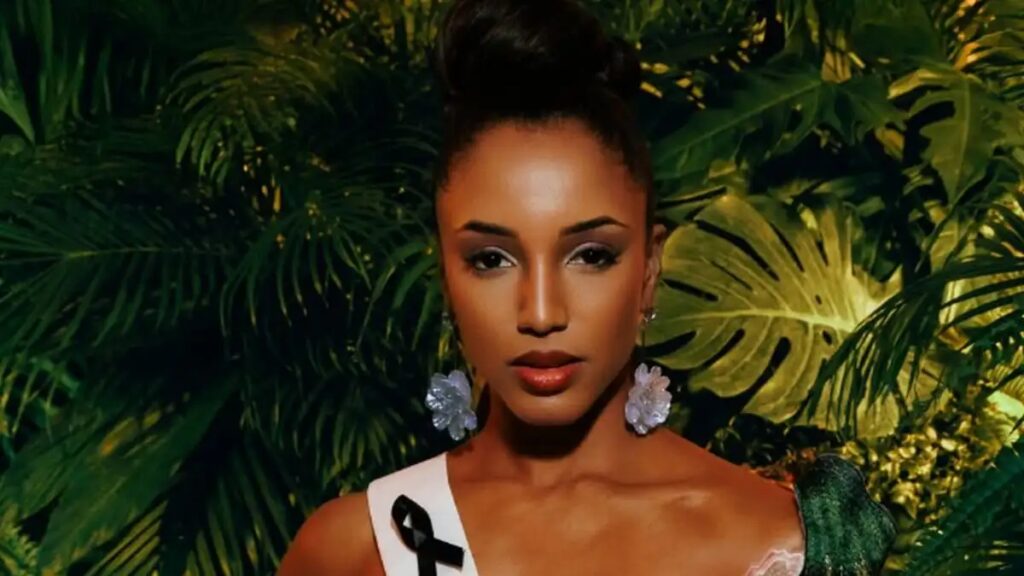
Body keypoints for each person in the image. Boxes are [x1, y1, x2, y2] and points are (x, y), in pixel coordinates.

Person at [279, 0, 896, 574]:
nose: (541, 311)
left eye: (591, 255)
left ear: (648, 270)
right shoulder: (356, 549)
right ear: (446, 277)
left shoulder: (792, 542)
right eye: (491, 259)